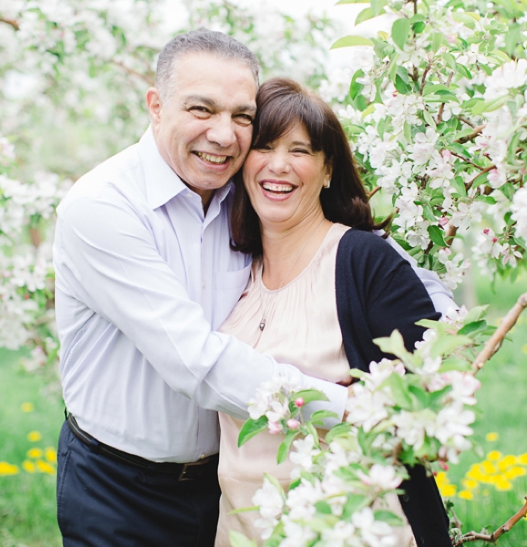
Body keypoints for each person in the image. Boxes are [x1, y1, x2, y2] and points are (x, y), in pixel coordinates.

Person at [52, 29, 455, 546]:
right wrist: (352, 409)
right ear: (156, 105)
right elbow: (197, 361)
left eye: (243, 117)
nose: (224, 135)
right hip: (121, 487)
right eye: (202, 109)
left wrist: (442, 349)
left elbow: (379, 261)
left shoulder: (241, 199)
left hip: (226, 491)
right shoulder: (104, 207)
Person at [215, 78, 453, 547]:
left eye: (300, 151)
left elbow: (433, 393)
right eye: (263, 146)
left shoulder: (363, 260)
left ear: (327, 171)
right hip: (242, 531)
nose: (278, 165)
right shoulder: (232, 268)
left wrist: (367, 399)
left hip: (357, 529)